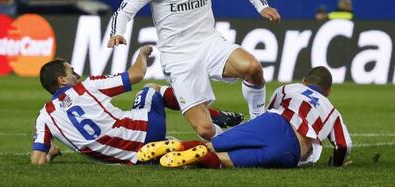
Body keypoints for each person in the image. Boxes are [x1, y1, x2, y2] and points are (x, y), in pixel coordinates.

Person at [108, 0, 281, 141]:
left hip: (209, 43)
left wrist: (261, 5)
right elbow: (124, 10)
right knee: (206, 131)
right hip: (178, 56)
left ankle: (259, 121)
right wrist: (117, 32)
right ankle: (230, 136)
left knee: (253, 67)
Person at [31, 45, 243, 165]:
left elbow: (37, 160)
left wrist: (51, 152)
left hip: (131, 158)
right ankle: (213, 115)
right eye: (71, 71)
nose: (76, 74)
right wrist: (141, 55)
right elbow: (137, 75)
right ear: (62, 80)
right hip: (146, 129)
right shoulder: (88, 86)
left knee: (170, 146)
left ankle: (196, 152)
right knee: (152, 88)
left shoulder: (45, 117)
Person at [138, 66, 352, 169]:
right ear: (329, 91)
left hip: (272, 123)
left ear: (305, 81)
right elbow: (343, 145)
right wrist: (337, 164)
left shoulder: (290, 88)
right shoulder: (333, 112)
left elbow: (270, 110)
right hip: (291, 150)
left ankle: (179, 145)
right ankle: (201, 156)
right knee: (225, 162)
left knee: (214, 144)